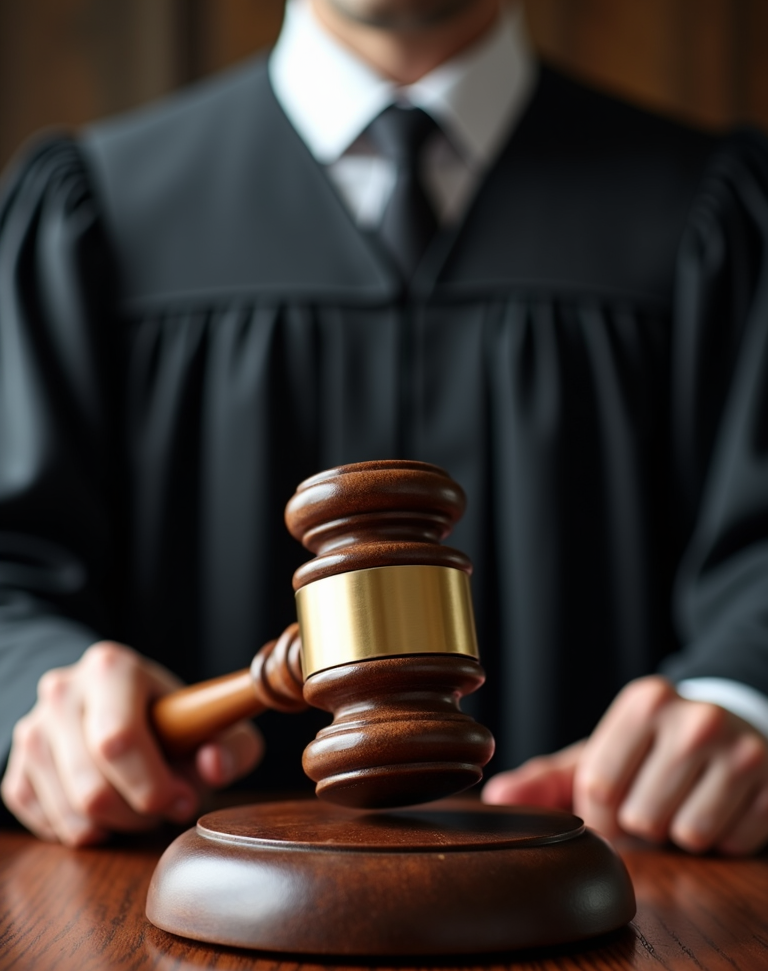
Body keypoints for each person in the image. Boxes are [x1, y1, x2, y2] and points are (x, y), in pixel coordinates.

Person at [1, 0, 767, 854]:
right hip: (151, 936)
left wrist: (744, 698)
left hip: (650, 926)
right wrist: (40, 694)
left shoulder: (715, 215)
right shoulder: (95, 212)